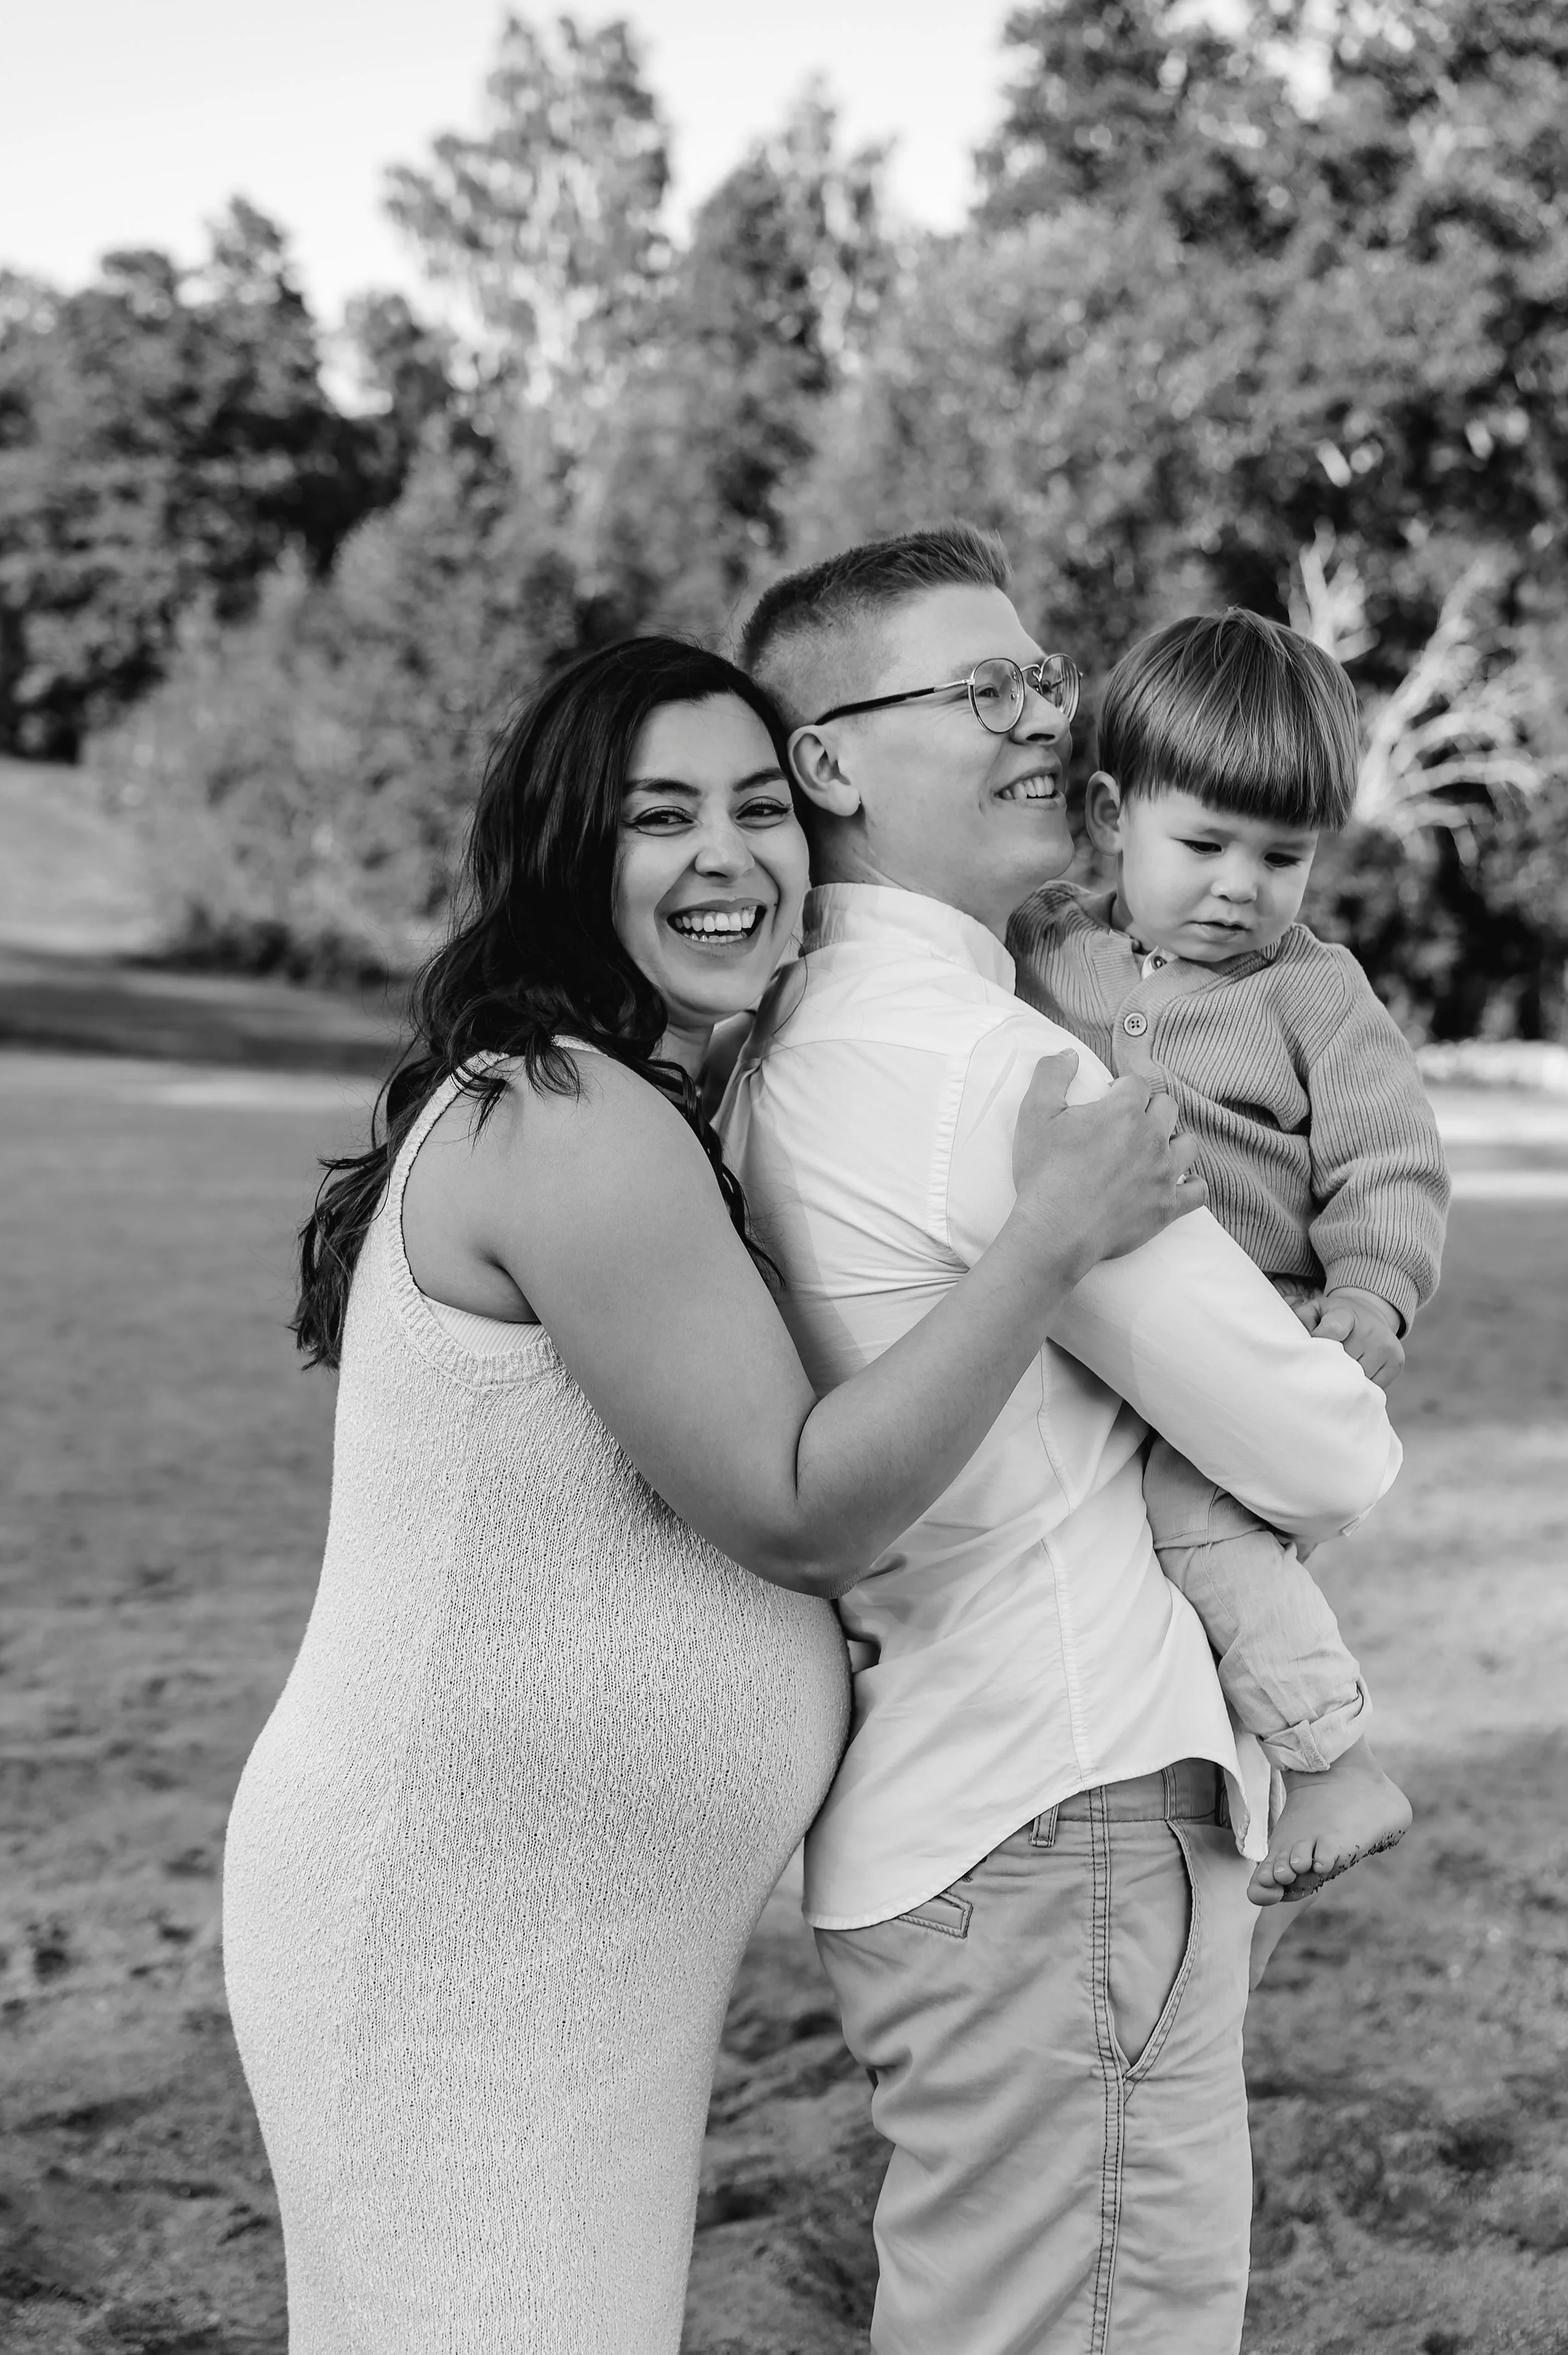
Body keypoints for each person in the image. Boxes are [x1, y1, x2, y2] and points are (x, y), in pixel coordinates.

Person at [220, 636, 1206, 2354]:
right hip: (456, 1949)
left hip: (567, 1948)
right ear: (565, 854)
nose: (728, 856)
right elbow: (801, 1506)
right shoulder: (568, 1116)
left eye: (759, 806)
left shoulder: (637, 1098)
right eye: (657, 816)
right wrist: (1048, 1232)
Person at [726, 526, 1402, 2353]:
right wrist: (1344, 1351)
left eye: (1036, 674)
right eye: (978, 686)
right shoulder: (988, 1068)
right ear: (830, 760)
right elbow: (1322, 1451)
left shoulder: (798, 1036)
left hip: (946, 1815)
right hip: (1069, 1811)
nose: (1041, 713)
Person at [1010, 609, 1448, 1907]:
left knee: (1195, 1535)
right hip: (1094, 1333)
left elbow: (1388, 1156)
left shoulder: (1311, 994)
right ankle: (1233, 1810)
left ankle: (1332, 1761)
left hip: (1249, 1335)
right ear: (1108, 814)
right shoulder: (1043, 950)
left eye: (1281, 856)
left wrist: (1370, 1291)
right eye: (1201, 844)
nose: (1239, 889)